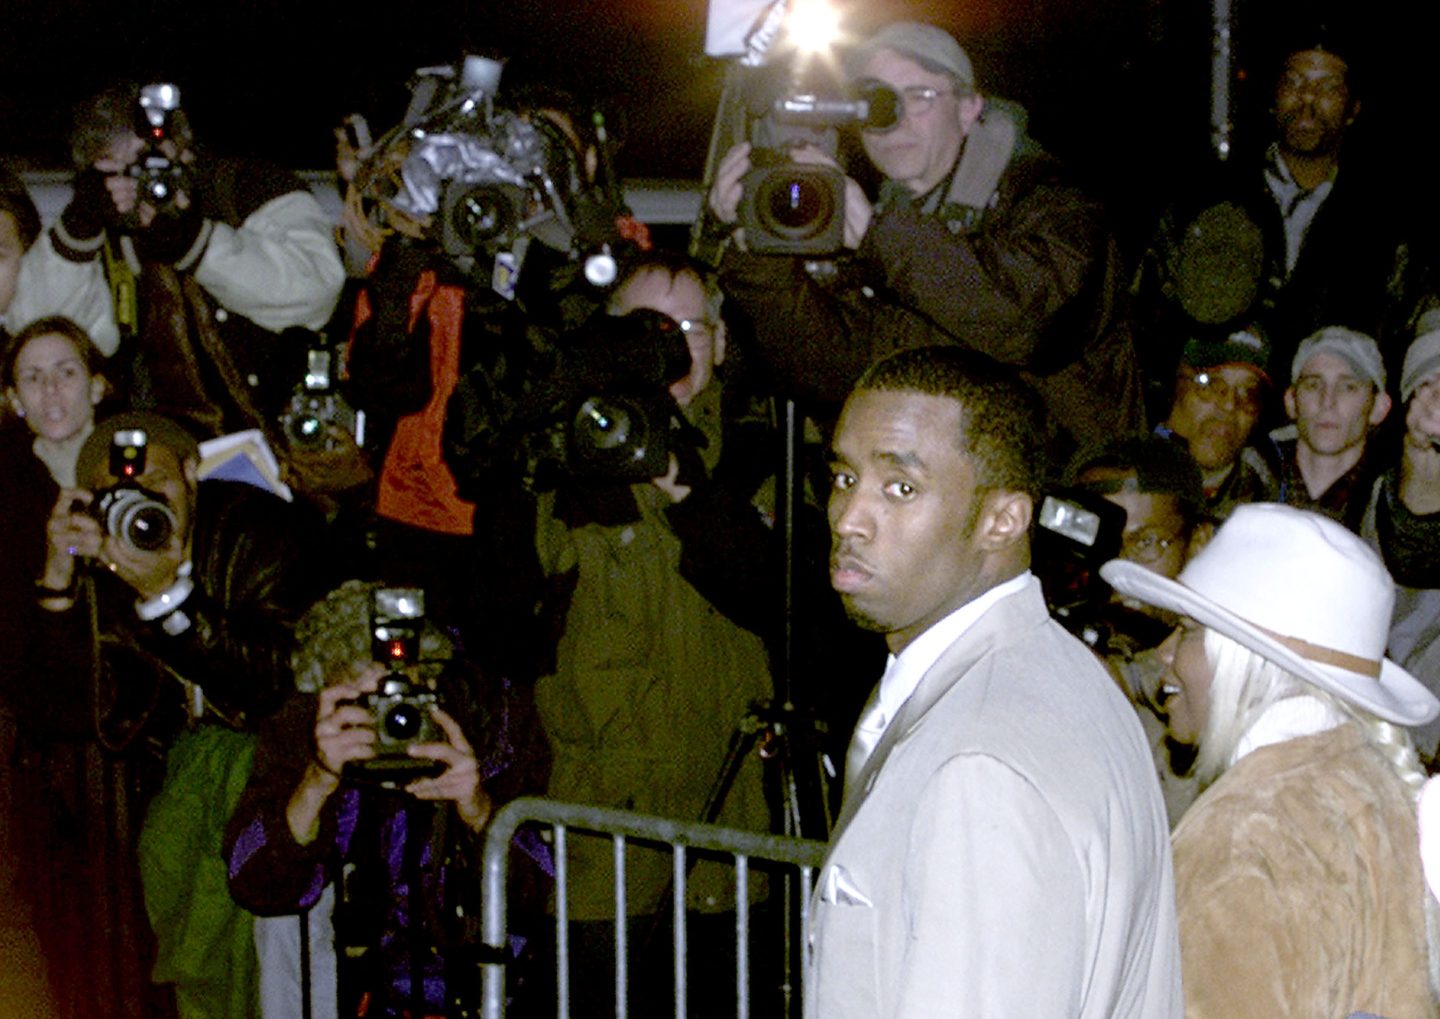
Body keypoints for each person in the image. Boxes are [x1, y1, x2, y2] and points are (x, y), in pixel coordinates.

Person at [811, 345, 1181, 1017]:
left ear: (1003, 519)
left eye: (900, 487)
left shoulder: (980, 763)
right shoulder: (1049, 674)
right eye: (843, 478)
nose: (849, 519)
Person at [708, 20, 1141, 455]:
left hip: (1061, 499)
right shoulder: (894, 228)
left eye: (918, 97)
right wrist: (758, 247)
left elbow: (1033, 327)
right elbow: (827, 368)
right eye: (875, 103)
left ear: (970, 107)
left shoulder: (1052, 205)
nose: (894, 122)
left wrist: (880, 235)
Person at [32, 410, 331, 1018]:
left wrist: (168, 596)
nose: (146, 510)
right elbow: (60, 707)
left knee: (282, 973)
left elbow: (275, 680)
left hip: (277, 771)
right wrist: (59, 576)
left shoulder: (259, 527)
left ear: (193, 473)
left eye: (160, 486)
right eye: (125, 496)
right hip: (173, 792)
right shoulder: (105, 553)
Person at [1103, 503, 1440, 1018]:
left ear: (1247, 661)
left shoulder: (1241, 835)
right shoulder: (1370, 781)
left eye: (1190, 631)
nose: (1165, 654)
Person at [223, 579, 551, 1018]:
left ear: (430, 680)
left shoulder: (483, 720)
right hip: (372, 988)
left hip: (487, 990)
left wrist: (478, 810)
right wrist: (317, 781)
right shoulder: (309, 730)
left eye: (400, 697)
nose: (387, 721)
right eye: (365, 703)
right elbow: (253, 882)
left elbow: (540, 892)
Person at [12, 82, 344, 440]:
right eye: (123, 173)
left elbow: (316, 293)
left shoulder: (246, 188)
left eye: (152, 167)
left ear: (186, 153)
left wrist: (195, 243)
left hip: (273, 442)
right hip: (154, 450)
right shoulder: (100, 223)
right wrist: (80, 228)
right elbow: (36, 339)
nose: (142, 186)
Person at [1131, 29, 1406, 389]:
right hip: (1215, 416)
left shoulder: (1380, 223)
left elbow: (1398, 337)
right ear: (1274, 96)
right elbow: (1145, 316)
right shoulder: (1207, 197)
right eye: (1294, 82)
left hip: (1322, 427)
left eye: (1328, 88)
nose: (1307, 100)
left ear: (1353, 109)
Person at [0, 315, 117, 1019]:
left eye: (65, 371)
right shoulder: (8, 495)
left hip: (133, 745)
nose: (51, 390)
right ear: (13, 399)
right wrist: (55, 575)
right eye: (31, 377)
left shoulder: (152, 469)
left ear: (98, 384)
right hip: (39, 752)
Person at [1069, 434, 1213, 824]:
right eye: (1102, 546)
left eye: (1146, 542)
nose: (1120, 571)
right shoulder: (1054, 645)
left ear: (1198, 543)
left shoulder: (1213, 679)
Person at [1268, 325, 1391, 528]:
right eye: (1313, 385)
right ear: (1291, 400)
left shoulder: (1391, 506)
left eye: (1348, 387)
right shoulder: (1246, 475)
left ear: (1379, 407)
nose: (1327, 401)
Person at [1156, 325, 1279, 520]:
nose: (1230, 405)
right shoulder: (1121, 478)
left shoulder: (1270, 509)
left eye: (1249, 393)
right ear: (1174, 386)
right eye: (1210, 383)